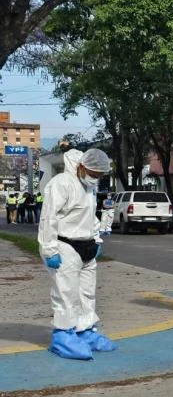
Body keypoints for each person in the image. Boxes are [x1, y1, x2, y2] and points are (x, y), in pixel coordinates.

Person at [37, 148, 116, 360]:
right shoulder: (62, 183)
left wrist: (96, 239)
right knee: (66, 293)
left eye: (100, 176)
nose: (95, 178)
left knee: (87, 293)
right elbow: (48, 218)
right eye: (93, 174)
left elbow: (91, 215)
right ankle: (63, 335)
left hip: (86, 245)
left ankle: (85, 330)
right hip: (64, 245)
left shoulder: (88, 187)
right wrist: (49, 249)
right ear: (81, 167)